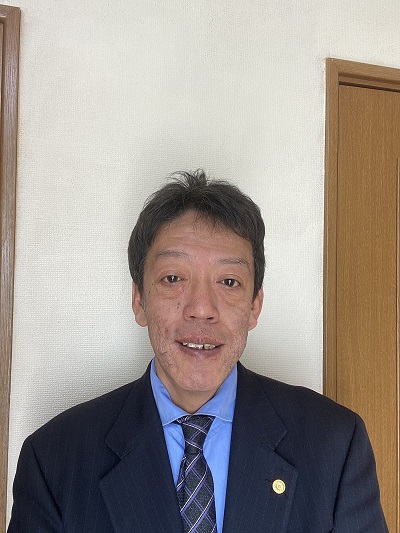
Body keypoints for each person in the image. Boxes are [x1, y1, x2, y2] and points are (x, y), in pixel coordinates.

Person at [8, 170, 388, 532]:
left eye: (229, 281)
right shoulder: (55, 460)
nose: (202, 308)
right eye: (173, 278)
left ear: (254, 306)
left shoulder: (334, 446)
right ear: (139, 300)